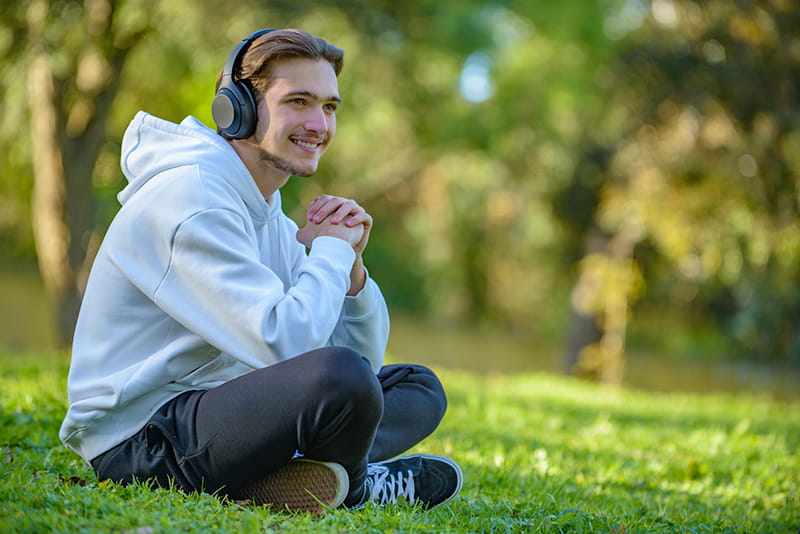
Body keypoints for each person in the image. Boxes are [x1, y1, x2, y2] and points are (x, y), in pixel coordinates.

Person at [59, 28, 462, 515]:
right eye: (299, 101)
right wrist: (329, 254)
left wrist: (351, 273)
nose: (319, 124)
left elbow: (356, 358)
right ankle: (356, 487)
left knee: (415, 387)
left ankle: (283, 474)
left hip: (221, 413)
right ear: (236, 107)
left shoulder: (266, 211)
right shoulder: (192, 201)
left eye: (330, 107)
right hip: (141, 442)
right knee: (341, 379)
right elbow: (285, 344)